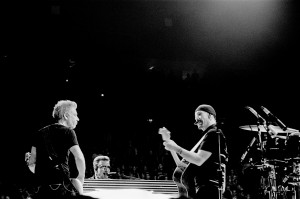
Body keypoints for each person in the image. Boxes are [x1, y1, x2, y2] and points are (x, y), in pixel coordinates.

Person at [159, 104, 228, 199]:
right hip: (202, 190)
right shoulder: (208, 135)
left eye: (199, 114)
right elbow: (181, 166)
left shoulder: (214, 134)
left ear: (210, 115)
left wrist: (176, 148)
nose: (197, 119)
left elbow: (199, 160)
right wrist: (169, 143)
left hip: (208, 190)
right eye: (195, 117)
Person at [28, 99, 86, 199]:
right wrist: (80, 178)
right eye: (75, 115)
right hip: (62, 186)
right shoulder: (68, 132)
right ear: (66, 116)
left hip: (42, 188)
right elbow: (79, 157)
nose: (78, 119)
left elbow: (32, 163)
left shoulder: (39, 133)